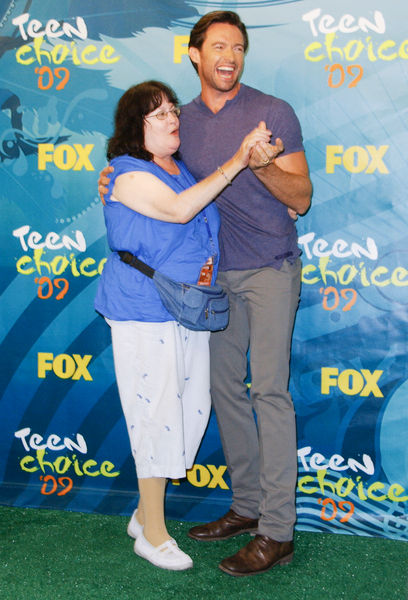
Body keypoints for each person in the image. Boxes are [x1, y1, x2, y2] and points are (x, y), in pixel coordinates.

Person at [98, 10, 312, 577]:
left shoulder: (272, 111)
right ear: (194, 54)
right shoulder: (180, 121)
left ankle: (278, 530)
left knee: (268, 390)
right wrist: (111, 175)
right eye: (219, 45)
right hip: (212, 285)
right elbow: (146, 165)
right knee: (224, 393)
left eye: (239, 47)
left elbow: (302, 197)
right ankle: (246, 507)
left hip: (268, 268)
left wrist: (261, 166)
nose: (231, 56)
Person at [94, 79, 272, 571]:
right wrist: (237, 160)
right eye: (159, 114)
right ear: (136, 127)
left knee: (188, 413)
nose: (173, 118)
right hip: (142, 309)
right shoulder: (125, 174)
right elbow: (177, 211)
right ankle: (152, 533)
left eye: (173, 109)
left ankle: (140, 512)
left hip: (190, 309)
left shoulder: (182, 167)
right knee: (154, 415)